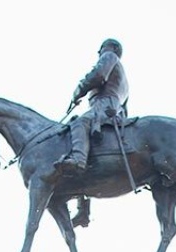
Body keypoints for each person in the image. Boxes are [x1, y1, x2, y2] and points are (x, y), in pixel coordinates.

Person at [55, 38, 129, 178]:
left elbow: (98, 75)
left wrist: (78, 91)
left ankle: (79, 160)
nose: (98, 51)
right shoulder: (126, 82)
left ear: (114, 48)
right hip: (114, 108)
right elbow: (124, 109)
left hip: (103, 103)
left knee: (80, 122)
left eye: (101, 47)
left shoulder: (109, 56)